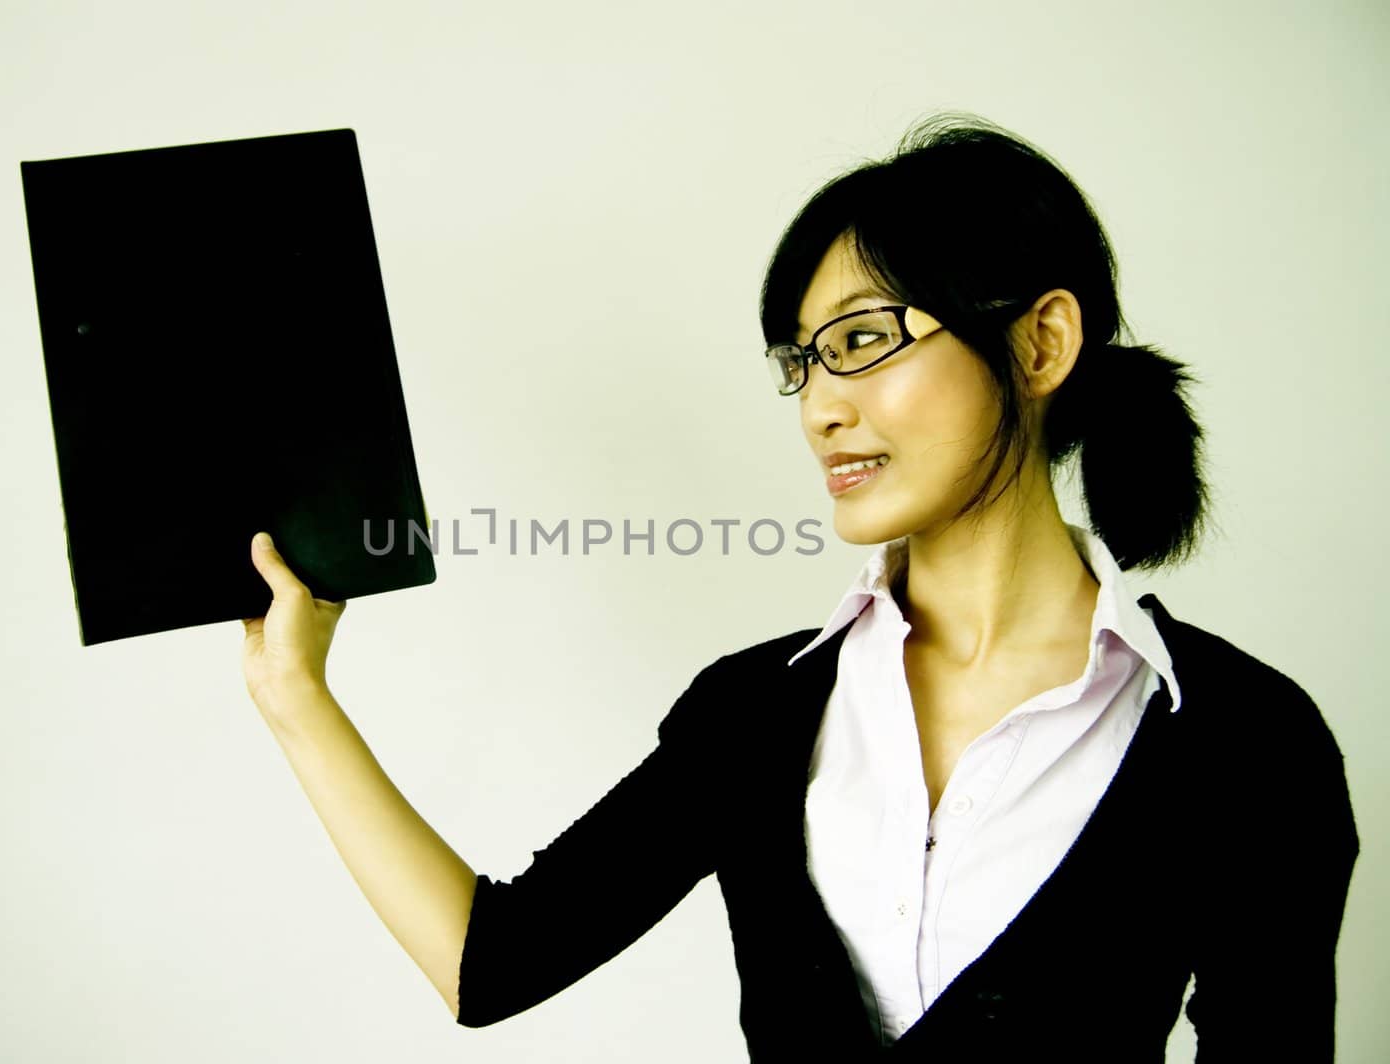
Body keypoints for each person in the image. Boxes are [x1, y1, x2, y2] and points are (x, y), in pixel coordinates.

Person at [238, 113, 1358, 1061]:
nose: (819, 404)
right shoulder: (753, 710)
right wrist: (295, 692)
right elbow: (491, 961)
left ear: (1040, 342)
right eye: (800, 360)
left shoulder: (1247, 740)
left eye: (863, 338)